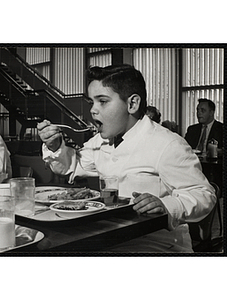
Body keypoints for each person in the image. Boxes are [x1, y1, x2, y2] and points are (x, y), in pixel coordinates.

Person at [37, 64, 216, 253]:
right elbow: (74, 165)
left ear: (132, 104)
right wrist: (55, 146)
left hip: (159, 243)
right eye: (92, 102)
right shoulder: (100, 140)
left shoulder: (167, 143)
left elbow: (203, 194)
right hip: (111, 235)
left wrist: (166, 204)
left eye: (103, 101)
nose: (93, 110)